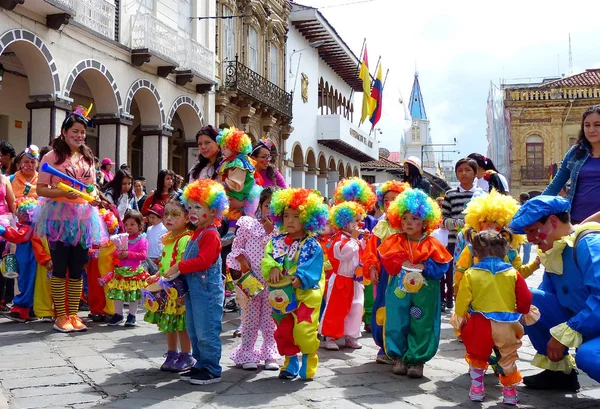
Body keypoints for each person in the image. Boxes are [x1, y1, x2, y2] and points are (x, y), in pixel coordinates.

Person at [509, 195, 600, 391]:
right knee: (529, 301)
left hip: (593, 325)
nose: (530, 240)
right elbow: (544, 298)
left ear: (552, 221)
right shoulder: (555, 251)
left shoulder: (589, 244)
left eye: (533, 231)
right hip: (584, 324)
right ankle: (559, 374)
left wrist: (566, 333)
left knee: (588, 356)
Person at [35, 106, 107, 333]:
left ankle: (74, 315)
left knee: (77, 268)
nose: (79, 135)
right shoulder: (51, 156)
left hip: (84, 218)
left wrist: (94, 198)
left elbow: (92, 186)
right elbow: (41, 189)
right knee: (60, 266)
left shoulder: (87, 157)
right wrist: (63, 193)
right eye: (75, 131)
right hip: (58, 217)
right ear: (64, 132)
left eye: (82, 132)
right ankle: (60, 316)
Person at [453, 229, 535, 405]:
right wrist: (521, 311)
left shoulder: (471, 273)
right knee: (507, 357)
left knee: (477, 357)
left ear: (476, 252)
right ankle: (510, 394)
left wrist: (460, 320)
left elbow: (462, 300)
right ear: (505, 249)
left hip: (479, 323)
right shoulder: (512, 273)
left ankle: (476, 390)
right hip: (506, 325)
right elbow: (526, 297)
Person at [378, 188, 452, 378]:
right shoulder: (394, 240)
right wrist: (401, 262)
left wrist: (425, 266)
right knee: (397, 318)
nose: (408, 223)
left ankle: (417, 359)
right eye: (404, 218)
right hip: (399, 289)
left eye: (414, 218)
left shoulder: (432, 243)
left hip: (425, 291)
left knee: (421, 321)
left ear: (425, 221)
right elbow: (388, 261)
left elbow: (441, 266)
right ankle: (398, 356)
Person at [164, 179, 229, 385]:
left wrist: (179, 267)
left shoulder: (210, 234)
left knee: (206, 329)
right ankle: (200, 364)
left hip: (207, 291)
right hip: (194, 290)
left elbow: (204, 261)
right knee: (194, 328)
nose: (192, 211)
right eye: (190, 206)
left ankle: (211, 368)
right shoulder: (197, 233)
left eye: (198, 207)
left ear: (213, 211)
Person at [262, 188, 328, 380]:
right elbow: (267, 258)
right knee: (283, 330)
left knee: (304, 329)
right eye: (286, 215)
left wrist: (301, 277)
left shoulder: (312, 244)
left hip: (306, 293)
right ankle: (290, 360)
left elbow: (314, 266)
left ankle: (309, 356)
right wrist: (272, 267)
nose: (290, 220)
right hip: (281, 293)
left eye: (296, 216)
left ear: (308, 218)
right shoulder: (275, 242)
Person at [227, 187, 280, 371]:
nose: (270, 210)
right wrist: (242, 261)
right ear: (260, 206)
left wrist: (270, 231)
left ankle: (270, 353)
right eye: (267, 205)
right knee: (249, 318)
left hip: (273, 282)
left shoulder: (281, 231)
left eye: (275, 207)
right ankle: (247, 352)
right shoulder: (248, 225)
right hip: (251, 278)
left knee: (270, 319)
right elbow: (237, 247)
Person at [144, 195, 194, 372]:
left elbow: (179, 264)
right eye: (166, 214)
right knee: (169, 322)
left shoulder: (185, 239)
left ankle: (187, 355)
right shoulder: (168, 238)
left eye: (175, 214)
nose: (168, 218)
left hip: (178, 288)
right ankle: (172, 352)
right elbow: (165, 263)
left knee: (181, 323)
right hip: (167, 286)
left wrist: (165, 276)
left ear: (187, 218)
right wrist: (156, 275)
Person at [362, 180, 410, 364]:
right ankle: (384, 346)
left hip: (404, 275)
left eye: (395, 198)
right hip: (384, 276)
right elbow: (371, 249)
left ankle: (403, 347)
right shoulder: (381, 226)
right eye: (387, 199)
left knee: (403, 310)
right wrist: (373, 266)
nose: (390, 202)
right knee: (382, 307)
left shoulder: (409, 225)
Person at [320, 201, 367, 350]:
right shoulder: (339, 238)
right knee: (336, 308)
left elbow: (361, 254)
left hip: (355, 280)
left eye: (359, 220)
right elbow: (343, 254)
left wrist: (364, 241)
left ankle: (351, 336)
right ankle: (330, 336)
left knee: (356, 307)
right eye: (355, 220)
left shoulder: (354, 239)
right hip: (341, 277)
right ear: (344, 221)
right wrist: (354, 239)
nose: (358, 223)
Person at [543, 105, 600, 223]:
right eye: (587, 125)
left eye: (597, 125)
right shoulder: (575, 152)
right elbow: (554, 186)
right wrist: (532, 207)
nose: (591, 130)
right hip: (574, 221)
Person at [440, 158, 481, 311]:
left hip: (478, 244)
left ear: (475, 173)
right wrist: (463, 224)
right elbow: (444, 220)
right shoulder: (450, 195)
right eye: (460, 170)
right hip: (454, 243)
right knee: (456, 276)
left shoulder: (482, 195)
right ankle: (458, 309)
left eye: (468, 170)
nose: (463, 173)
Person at [100, 210, 148, 327]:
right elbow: (116, 251)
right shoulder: (122, 238)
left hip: (134, 272)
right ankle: (118, 314)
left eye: (132, 224)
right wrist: (118, 254)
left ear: (140, 225)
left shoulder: (142, 240)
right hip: (121, 271)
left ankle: (132, 316)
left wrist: (129, 254)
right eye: (126, 224)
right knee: (117, 294)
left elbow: (143, 255)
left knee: (133, 295)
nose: (129, 227)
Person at [216, 127, 262, 240]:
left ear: (235, 147)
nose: (222, 151)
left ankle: (231, 232)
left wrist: (223, 184)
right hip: (234, 192)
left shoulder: (237, 163)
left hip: (238, 193)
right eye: (222, 147)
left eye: (225, 147)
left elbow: (237, 183)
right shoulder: (233, 161)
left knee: (232, 210)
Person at [1, 198, 39, 322]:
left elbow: (17, 236)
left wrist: (4, 230)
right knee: (29, 283)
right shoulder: (31, 227)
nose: (17, 214)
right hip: (28, 259)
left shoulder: (27, 228)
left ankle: (22, 310)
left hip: (27, 260)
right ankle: (30, 309)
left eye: (19, 212)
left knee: (25, 282)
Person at [86, 204, 120, 322]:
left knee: (108, 286)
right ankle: (97, 310)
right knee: (94, 286)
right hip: (94, 262)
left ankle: (110, 310)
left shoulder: (112, 242)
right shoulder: (93, 237)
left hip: (107, 264)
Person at [519, 192, 533, 264]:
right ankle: (525, 267)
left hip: (519, 231)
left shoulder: (518, 206)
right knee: (527, 250)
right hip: (529, 231)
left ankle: (516, 265)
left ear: (521, 199)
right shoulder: (532, 206)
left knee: (516, 249)